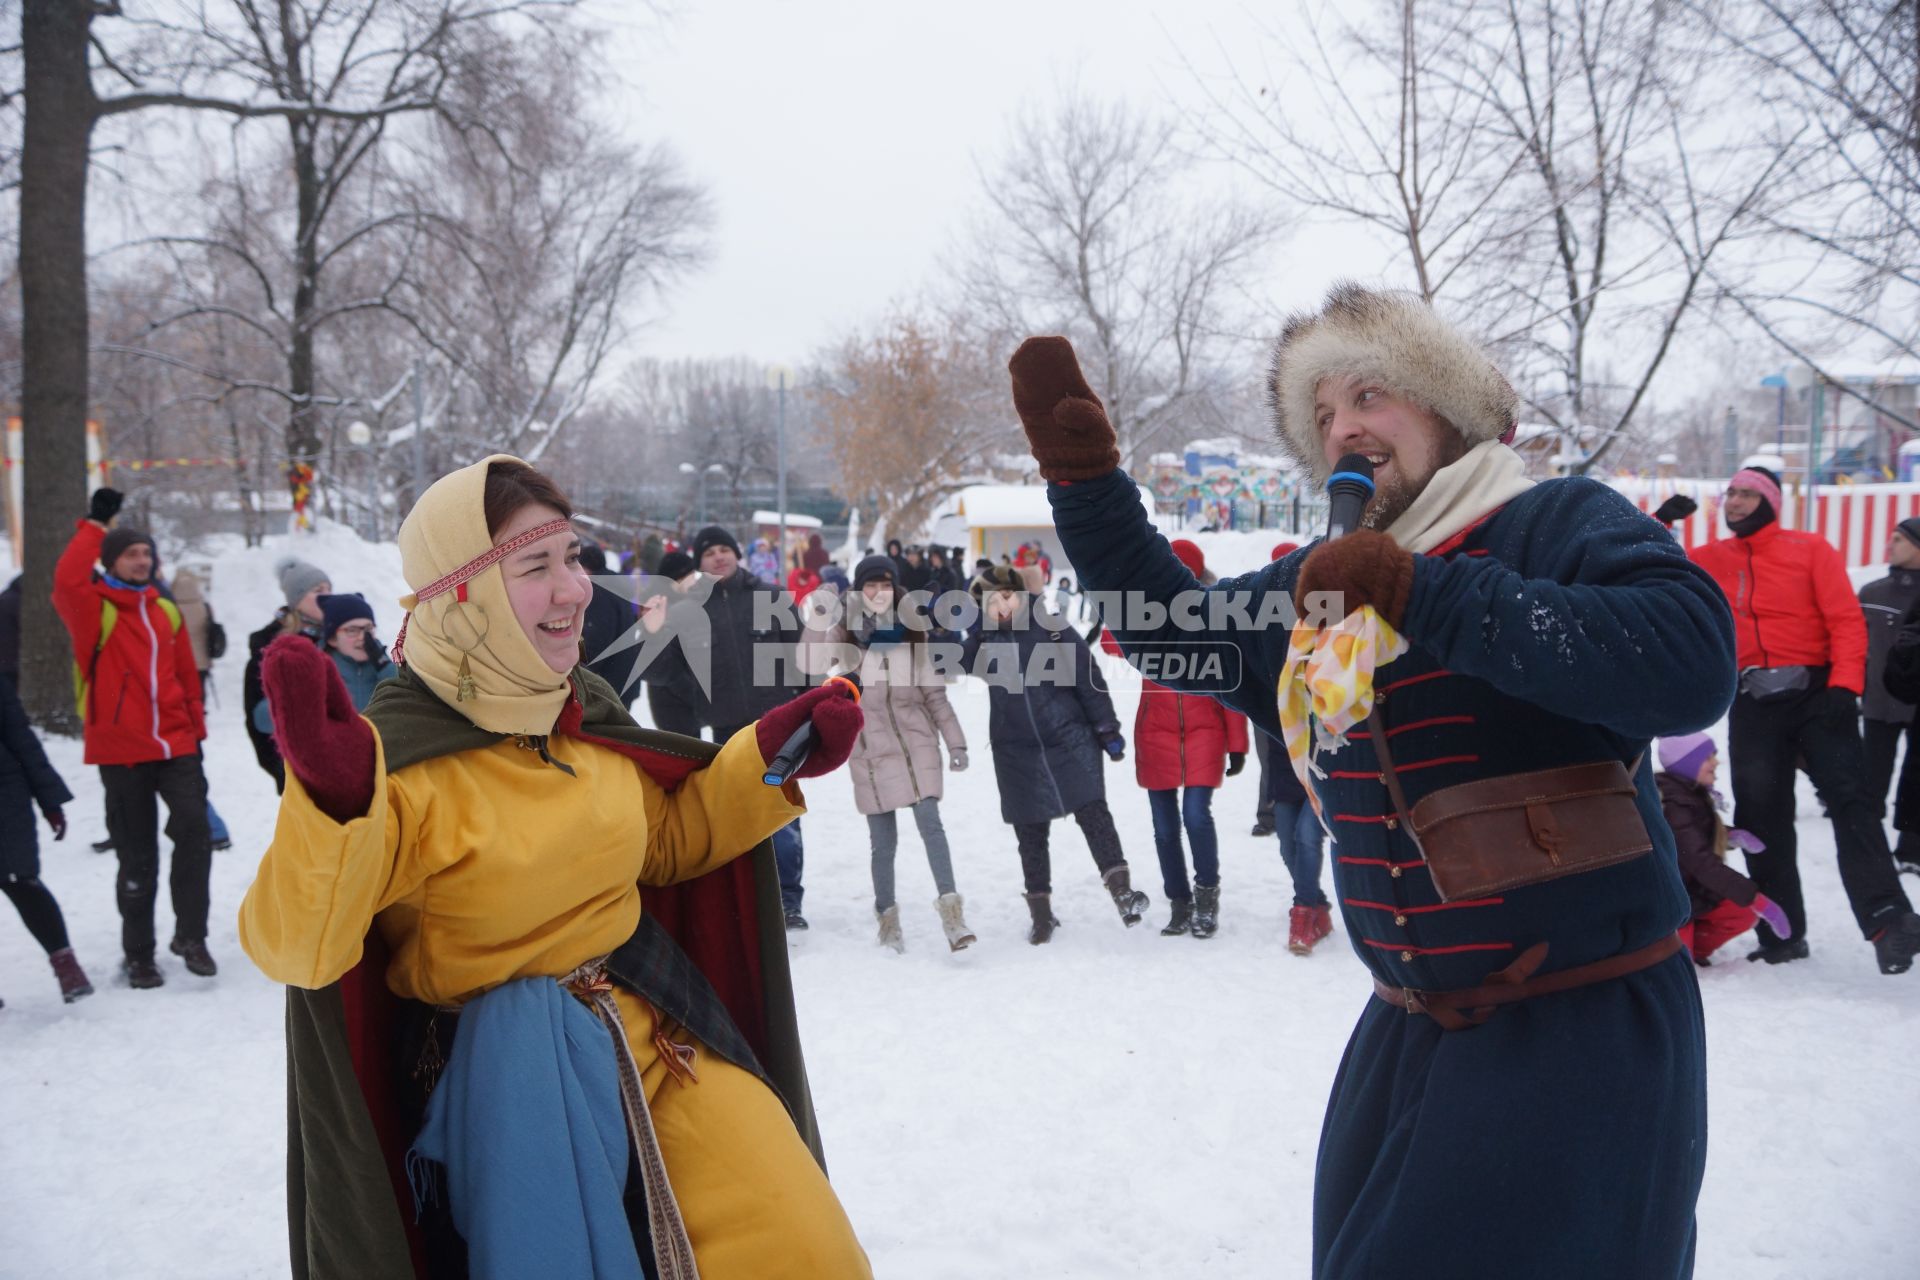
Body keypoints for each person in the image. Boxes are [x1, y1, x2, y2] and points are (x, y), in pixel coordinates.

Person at [1011, 283, 1749, 1277]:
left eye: (1370, 396)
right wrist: (1087, 480)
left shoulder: (1552, 519)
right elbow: (1163, 626)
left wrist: (1420, 589)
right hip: (1406, 1025)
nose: (1344, 428)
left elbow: (1693, 658)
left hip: (1585, 1031)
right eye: (1322, 414)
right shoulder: (1323, 578)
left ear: (1443, 406)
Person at [240, 456, 870, 1278]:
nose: (575, 589)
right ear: (456, 596)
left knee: (806, 1252)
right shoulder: (399, 763)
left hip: (656, 1033)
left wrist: (768, 757)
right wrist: (331, 801)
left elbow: (668, 841)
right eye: (535, 566)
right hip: (507, 1085)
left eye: (571, 557)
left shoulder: (579, 715)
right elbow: (300, 949)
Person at [1691, 464, 1920, 970]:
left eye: (1748, 494)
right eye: (1731, 493)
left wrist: (1844, 686)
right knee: (1761, 817)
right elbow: (1651, 571)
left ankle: (1889, 920)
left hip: (1819, 695)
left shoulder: (1810, 549)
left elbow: (1844, 619)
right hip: (1753, 699)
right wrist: (1663, 524)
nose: (1735, 502)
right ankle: (1783, 933)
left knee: (1852, 802)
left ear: (1771, 502)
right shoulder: (1709, 559)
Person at [53, 489, 215, 987]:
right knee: (136, 852)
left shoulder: (163, 610)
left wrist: (194, 730)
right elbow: (64, 582)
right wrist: (96, 525)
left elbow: (186, 675)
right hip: (122, 751)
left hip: (176, 745)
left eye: (146, 553)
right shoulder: (93, 611)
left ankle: (191, 935)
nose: (142, 560)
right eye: (131, 553)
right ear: (110, 563)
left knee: (195, 833)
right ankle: (139, 953)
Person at [960, 564, 1148, 944]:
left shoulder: (1049, 625)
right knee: (1030, 832)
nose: (1002, 605)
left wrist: (1106, 727)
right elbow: (946, 660)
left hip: (1068, 737)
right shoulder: (984, 640)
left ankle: (1122, 893)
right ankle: (1041, 914)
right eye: (992, 600)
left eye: (1007, 595)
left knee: (1094, 813)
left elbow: (1086, 673)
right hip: (1016, 750)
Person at [800, 554, 975, 952]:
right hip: (871, 751)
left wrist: (957, 741)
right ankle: (888, 920)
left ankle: (952, 916)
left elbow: (935, 695)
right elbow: (808, 664)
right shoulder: (844, 638)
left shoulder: (914, 634)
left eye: (885, 585)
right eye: (870, 585)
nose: (878, 592)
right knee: (883, 843)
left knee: (931, 823)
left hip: (917, 745)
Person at [1104, 539, 1248, 939]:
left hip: (1205, 733)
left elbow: (1232, 685)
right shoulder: (1148, 613)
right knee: (1165, 828)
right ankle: (1179, 903)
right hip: (1156, 735)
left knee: (1196, 816)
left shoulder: (1217, 614)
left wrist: (1237, 744)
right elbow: (1109, 641)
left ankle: (1206, 899)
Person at [670, 524, 811, 928]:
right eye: (709, 552)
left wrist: (804, 705)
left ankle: (789, 899)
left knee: (781, 811)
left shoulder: (770, 596)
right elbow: (669, 669)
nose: (718, 557)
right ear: (700, 563)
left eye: (724, 549)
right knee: (739, 814)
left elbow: (801, 654)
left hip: (776, 722)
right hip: (726, 729)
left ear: (736, 554)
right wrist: (701, 696)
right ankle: (750, 900)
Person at [1654, 733, 1792, 964]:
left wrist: (1727, 835)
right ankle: (1678, 954)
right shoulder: (1674, 805)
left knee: (1741, 914)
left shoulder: (1689, 795)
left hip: (1692, 893)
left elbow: (1693, 836)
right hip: (1673, 903)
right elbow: (1701, 863)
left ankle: (1690, 951)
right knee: (1678, 964)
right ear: (1688, 764)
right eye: (1708, 757)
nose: (1716, 762)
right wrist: (1758, 900)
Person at [1, 676, 93, 1003]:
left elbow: (20, 738)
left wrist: (49, 799)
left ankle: (65, 964)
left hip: (5, 797)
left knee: (22, 880)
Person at [1860, 519, 1920, 874]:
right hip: (1878, 700)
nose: (1890, 544)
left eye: (1899, 539)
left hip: (1916, 706)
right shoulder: (1871, 593)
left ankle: (1911, 849)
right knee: (1871, 778)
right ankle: (1868, 847)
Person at [242, 556, 331, 791]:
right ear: (297, 599)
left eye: (328, 588)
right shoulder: (271, 647)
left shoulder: (341, 636)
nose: (327, 595)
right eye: (317, 590)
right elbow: (258, 717)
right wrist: (282, 771)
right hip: (297, 766)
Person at [1250, 541, 1301, 838]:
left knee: (1277, 756)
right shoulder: (1263, 600)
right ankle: (1269, 811)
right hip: (1271, 691)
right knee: (1271, 757)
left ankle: (1276, 812)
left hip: (1292, 691)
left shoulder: (1313, 596)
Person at [634, 550, 711, 737]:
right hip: (671, 702)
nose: (695, 580)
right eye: (691, 575)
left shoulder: (685, 602)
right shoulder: (661, 607)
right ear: (678, 578)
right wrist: (692, 693)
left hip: (684, 699)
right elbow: (657, 663)